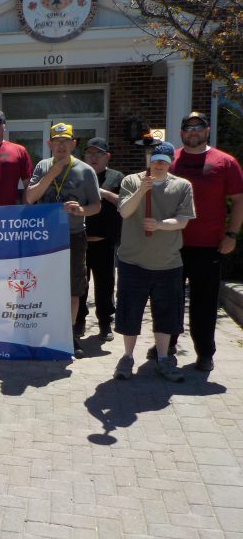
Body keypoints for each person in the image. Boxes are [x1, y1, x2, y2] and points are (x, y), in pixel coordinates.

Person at [150, 112, 243, 372]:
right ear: (181, 133)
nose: (193, 132)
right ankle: (166, 346)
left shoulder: (225, 162)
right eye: (188, 128)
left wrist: (231, 235)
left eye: (198, 127)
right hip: (171, 243)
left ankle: (205, 353)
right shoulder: (170, 160)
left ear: (207, 130)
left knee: (204, 303)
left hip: (208, 245)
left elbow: (238, 200)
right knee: (167, 299)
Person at [113, 142, 195, 382]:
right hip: (132, 262)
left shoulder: (182, 186)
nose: (159, 164)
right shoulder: (131, 181)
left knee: (167, 314)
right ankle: (127, 357)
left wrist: (160, 225)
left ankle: (163, 358)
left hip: (168, 263)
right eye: (155, 159)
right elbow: (125, 212)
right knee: (130, 312)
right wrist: (141, 191)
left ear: (170, 162)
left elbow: (182, 221)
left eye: (164, 161)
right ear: (149, 160)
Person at [25, 123, 101, 358]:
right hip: (44, 237)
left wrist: (81, 210)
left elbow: (96, 206)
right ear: (49, 144)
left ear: (73, 144)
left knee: (73, 289)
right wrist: (52, 174)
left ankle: (68, 335)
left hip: (73, 236)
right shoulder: (42, 166)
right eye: (56, 141)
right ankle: (41, 332)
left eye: (65, 141)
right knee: (42, 286)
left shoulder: (85, 170)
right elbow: (29, 198)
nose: (60, 145)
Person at [73, 138, 124, 342]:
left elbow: (125, 203)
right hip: (80, 240)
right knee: (80, 285)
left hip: (105, 241)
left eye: (98, 154)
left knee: (105, 285)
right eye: (89, 154)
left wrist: (102, 193)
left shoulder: (117, 177)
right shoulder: (78, 175)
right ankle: (79, 322)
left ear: (107, 156)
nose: (93, 158)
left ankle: (105, 323)